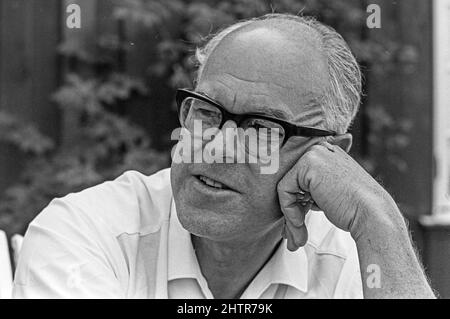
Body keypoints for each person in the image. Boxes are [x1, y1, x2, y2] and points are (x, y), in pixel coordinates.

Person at [13, 13, 435, 299]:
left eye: (261, 128)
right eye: (208, 112)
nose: (214, 147)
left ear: (326, 155)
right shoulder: (85, 232)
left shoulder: (351, 261)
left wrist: (378, 221)